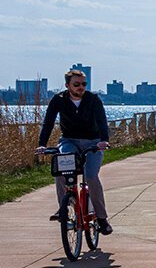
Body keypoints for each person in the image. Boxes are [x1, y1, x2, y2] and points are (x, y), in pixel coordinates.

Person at [34, 70, 113, 235]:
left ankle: (102, 218)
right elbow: (48, 123)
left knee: (91, 176)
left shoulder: (93, 100)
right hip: (69, 140)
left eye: (84, 84)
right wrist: (42, 144)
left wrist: (103, 141)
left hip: (93, 142)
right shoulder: (59, 100)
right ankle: (64, 208)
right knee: (61, 171)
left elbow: (102, 121)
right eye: (76, 84)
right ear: (67, 85)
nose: (81, 87)